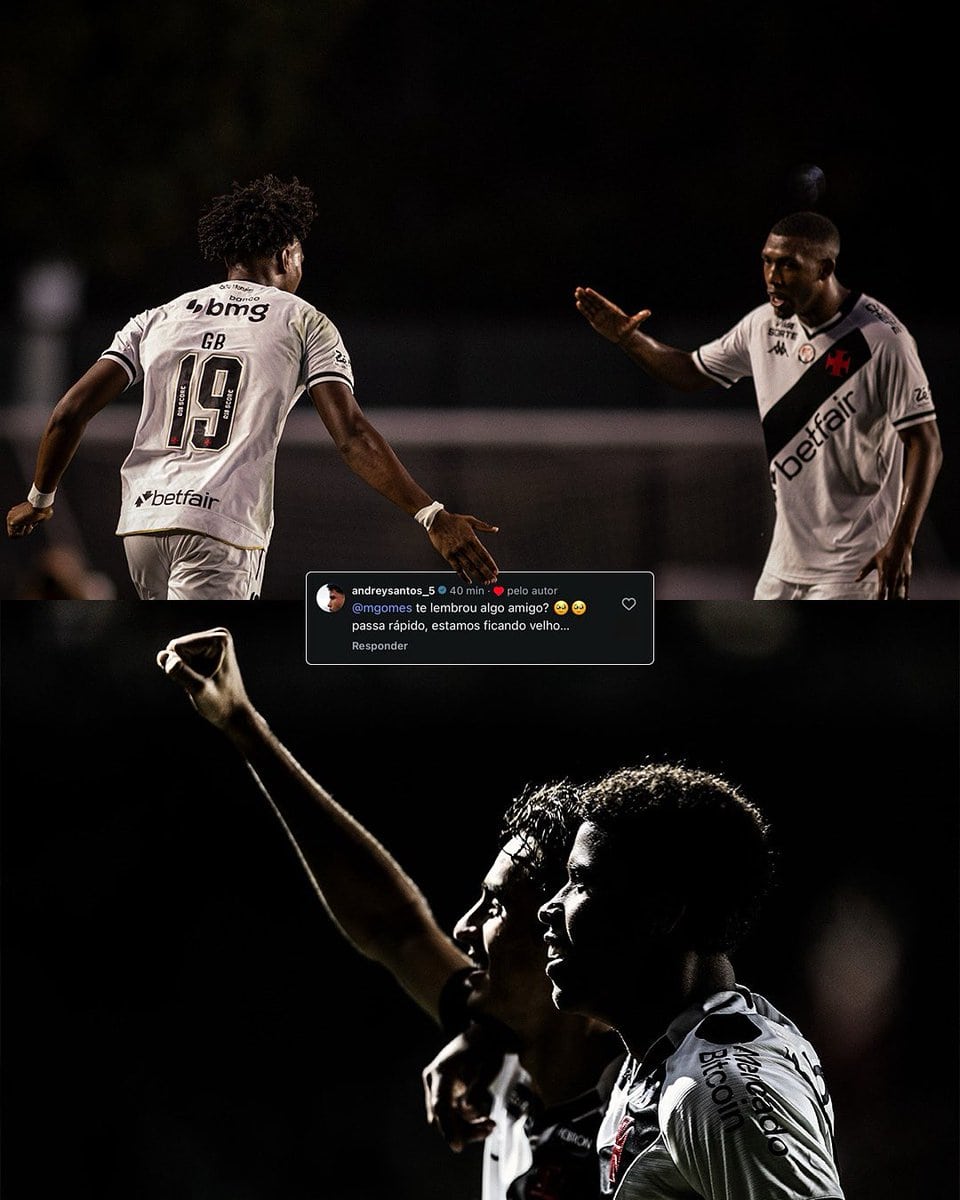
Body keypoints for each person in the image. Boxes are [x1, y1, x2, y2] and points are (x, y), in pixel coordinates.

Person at [156, 625, 624, 1199]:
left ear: (564, 935)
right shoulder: (506, 1043)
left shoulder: (660, 1126)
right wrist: (244, 725)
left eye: (499, 906)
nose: (464, 927)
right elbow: (394, 928)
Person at [6, 175, 498, 598]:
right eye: (301, 257)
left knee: (186, 664)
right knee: (210, 669)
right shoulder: (304, 321)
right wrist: (431, 514)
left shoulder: (158, 317)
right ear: (287, 255)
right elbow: (351, 436)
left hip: (141, 525)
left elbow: (69, 411)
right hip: (220, 528)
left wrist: (40, 497)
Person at [575, 211, 942, 600]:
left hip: (854, 568)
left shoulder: (882, 340)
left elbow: (926, 443)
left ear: (824, 268)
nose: (773, 276)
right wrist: (628, 340)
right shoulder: (762, 325)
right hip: (782, 565)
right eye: (767, 261)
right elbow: (688, 371)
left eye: (788, 265)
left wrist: (901, 542)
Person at [538, 763, 845, 1199]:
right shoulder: (669, 1051)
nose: (549, 908)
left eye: (581, 881)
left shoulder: (716, 1091)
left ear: (661, 913)